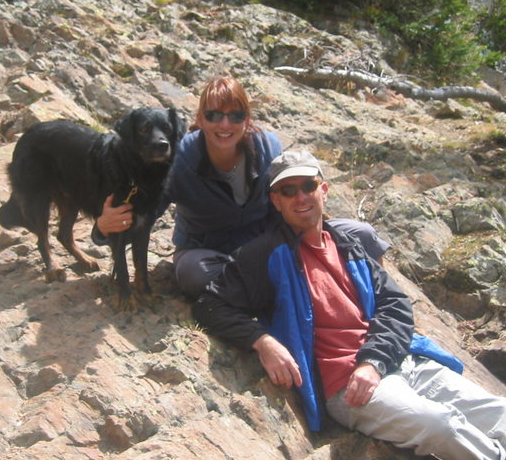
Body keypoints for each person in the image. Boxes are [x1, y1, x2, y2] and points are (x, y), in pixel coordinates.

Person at [192, 149, 506, 460]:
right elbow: (211, 303)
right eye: (289, 190)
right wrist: (262, 340)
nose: (300, 196)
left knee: (502, 411)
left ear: (324, 190)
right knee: (440, 424)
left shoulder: (349, 243)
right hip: (346, 387)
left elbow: (395, 305)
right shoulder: (265, 254)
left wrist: (375, 360)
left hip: (397, 360)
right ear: (276, 201)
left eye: (308, 186)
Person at [94, 75, 390, 298]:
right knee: (192, 274)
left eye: (236, 115)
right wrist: (103, 228)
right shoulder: (180, 158)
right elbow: (147, 212)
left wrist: (319, 232)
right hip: (209, 250)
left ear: (247, 119)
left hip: (267, 243)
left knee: (363, 234)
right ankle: (285, 290)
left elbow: (296, 198)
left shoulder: (269, 147)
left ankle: (377, 295)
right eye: (214, 115)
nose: (225, 125)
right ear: (200, 119)